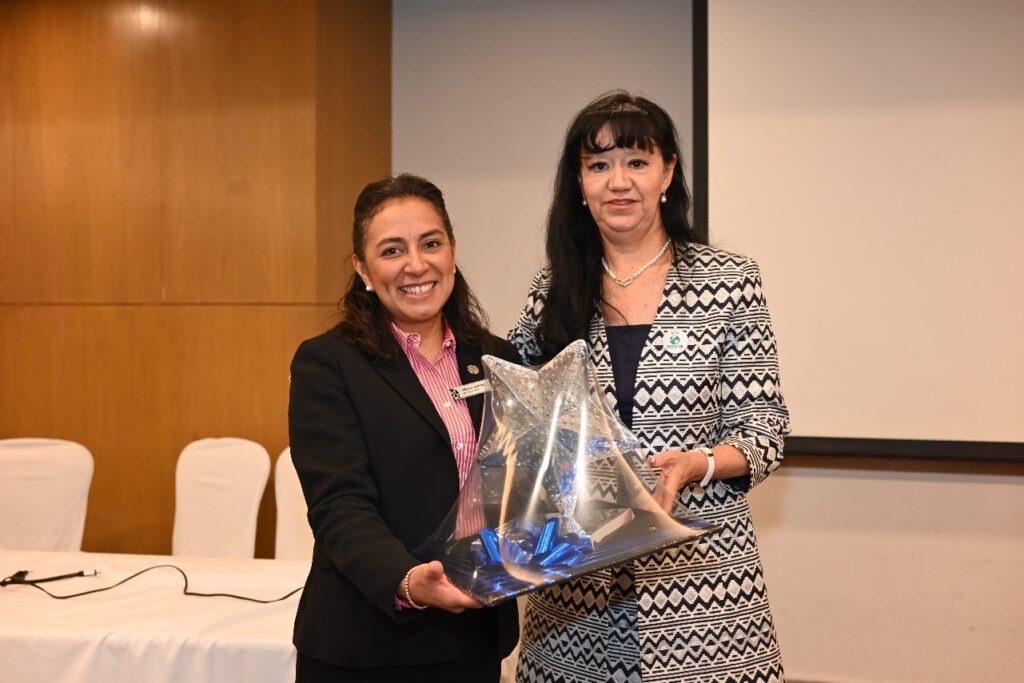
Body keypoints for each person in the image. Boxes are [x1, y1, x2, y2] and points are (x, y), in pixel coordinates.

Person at [509, 91, 790, 682]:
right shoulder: (553, 287)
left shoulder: (728, 281)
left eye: (637, 161)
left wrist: (696, 464)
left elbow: (765, 432)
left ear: (668, 172)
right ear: (579, 184)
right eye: (599, 164)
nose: (619, 181)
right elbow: (514, 409)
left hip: (703, 596)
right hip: (574, 601)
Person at [288, 174, 519, 682]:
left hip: (474, 643)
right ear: (362, 269)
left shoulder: (497, 358)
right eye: (392, 250)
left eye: (430, 243)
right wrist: (409, 580)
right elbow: (338, 505)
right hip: (368, 645)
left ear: (452, 251)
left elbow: (523, 486)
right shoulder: (327, 365)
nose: (416, 265)